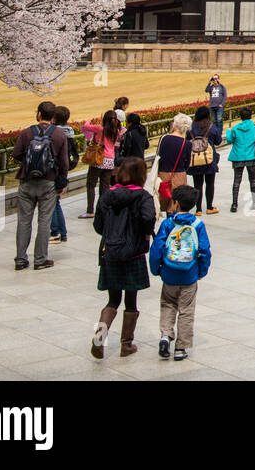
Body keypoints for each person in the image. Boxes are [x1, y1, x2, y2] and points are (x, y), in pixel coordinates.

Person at [91, 155, 156, 359]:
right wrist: (144, 233)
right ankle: (126, 344)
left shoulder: (107, 196)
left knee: (112, 300)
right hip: (133, 253)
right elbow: (148, 218)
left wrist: (112, 235)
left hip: (110, 252)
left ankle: (98, 340)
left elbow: (98, 225)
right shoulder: (143, 196)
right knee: (131, 301)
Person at [149, 184, 212, 360]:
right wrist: (201, 271)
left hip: (169, 274)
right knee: (186, 310)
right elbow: (205, 250)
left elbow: (157, 248)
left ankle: (165, 335)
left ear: (175, 203)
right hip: (189, 274)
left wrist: (157, 269)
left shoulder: (168, 224)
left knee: (168, 304)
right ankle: (181, 348)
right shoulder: (198, 225)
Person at [11, 101, 70, 270]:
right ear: (53, 116)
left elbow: (16, 153)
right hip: (48, 182)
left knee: (23, 221)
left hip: (27, 181)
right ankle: (40, 259)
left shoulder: (27, 133)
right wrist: (61, 181)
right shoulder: (59, 135)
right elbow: (64, 163)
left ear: (38, 114)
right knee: (44, 222)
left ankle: (20, 259)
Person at [79, 110, 122, 219]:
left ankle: (90, 210)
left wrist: (90, 120)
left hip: (99, 159)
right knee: (104, 187)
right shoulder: (116, 131)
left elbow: (86, 126)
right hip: (110, 161)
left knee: (91, 184)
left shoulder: (99, 129)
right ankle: (103, 209)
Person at [47, 105, 78, 244]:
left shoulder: (55, 133)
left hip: (55, 171)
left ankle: (55, 232)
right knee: (56, 202)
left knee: (52, 203)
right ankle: (62, 232)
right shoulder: (69, 132)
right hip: (63, 172)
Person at [186, 106, 223, 216]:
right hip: (209, 159)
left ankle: (198, 209)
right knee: (210, 183)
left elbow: (187, 140)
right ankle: (209, 207)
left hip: (195, 160)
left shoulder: (191, 128)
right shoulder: (211, 127)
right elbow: (218, 141)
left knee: (197, 185)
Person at [226, 108, 255, 212]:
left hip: (237, 156)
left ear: (241, 117)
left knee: (236, 181)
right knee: (253, 180)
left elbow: (230, 140)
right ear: (251, 115)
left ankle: (234, 204)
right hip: (251, 156)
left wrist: (228, 131)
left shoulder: (236, 128)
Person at [155, 113, 193, 217]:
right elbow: (187, 163)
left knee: (165, 199)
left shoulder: (163, 139)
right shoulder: (187, 143)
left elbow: (158, 156)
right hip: (179, 174)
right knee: (177, 202)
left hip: (163, 173)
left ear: (174, 125)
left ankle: (167, 223)